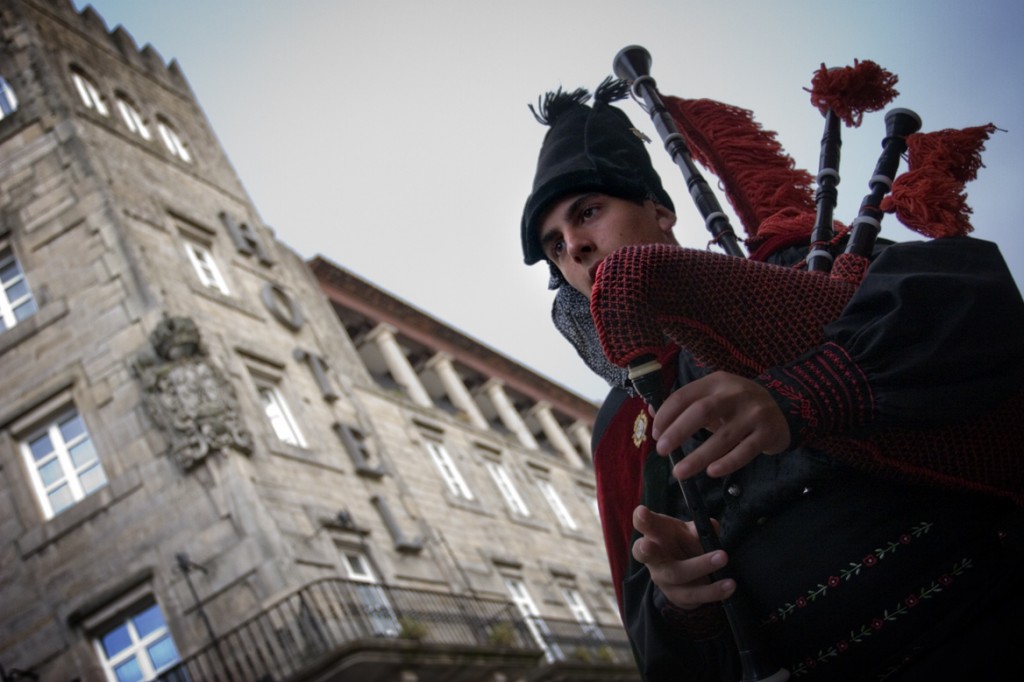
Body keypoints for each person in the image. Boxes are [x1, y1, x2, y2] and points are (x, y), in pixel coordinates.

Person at [520, 78, 1024, 681]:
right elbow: (664, 659)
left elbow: (979, 308)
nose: (575, 247)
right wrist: (680, 601)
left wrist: (803, 393)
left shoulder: (797, 272)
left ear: (659, 212)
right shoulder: (619, 427)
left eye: (588, 212)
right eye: (554, 246)